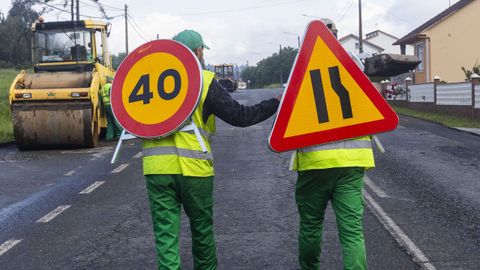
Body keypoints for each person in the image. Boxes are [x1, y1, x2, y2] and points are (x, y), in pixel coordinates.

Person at [143, 29, 279, 270]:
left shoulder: (150, 80)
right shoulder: (205, 80)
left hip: (156, 168)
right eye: (202, 50)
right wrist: (275, 104)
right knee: (202, 234)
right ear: (198, 52)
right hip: (194, 170)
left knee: (166, 239)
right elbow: (240, 116)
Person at [291, 19, 374, 270]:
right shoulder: (355, 63)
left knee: (311, 225)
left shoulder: (301, 65)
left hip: (315, 162)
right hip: (352, 162)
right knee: (352, 232)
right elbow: (368, 102)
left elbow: (291, 110)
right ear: (335, 36)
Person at [100, 76, 122, 140]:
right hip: (111, 106)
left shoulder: (103, 88)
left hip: (105, 106)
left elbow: (101, 99)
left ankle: (109, 137)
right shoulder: (110, 86)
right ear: (111, 80)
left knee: (109, 122)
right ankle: (119, 135)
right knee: (116, 120)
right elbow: (113, 96)